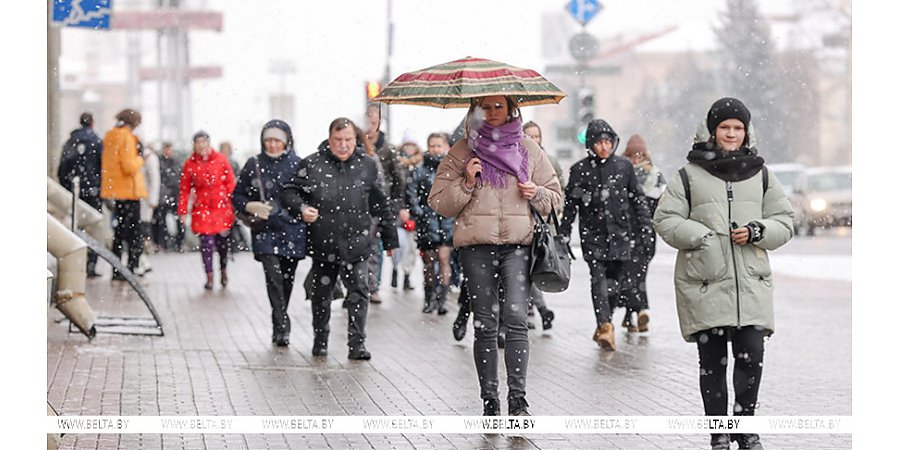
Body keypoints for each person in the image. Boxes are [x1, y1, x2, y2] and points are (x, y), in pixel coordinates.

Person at [653, 97, 794, 450]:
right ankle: (718, 432)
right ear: (712, 131)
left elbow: (785, 221)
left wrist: (759, 230)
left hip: (751, 284)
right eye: (725, 127)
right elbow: (664, 219)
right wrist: (701, 236)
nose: (731, 134)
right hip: (705, 283)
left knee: (751, 359)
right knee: (712, 365)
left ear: (746, 132)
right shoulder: (689, 175)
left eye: (738, 128)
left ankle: (745, 429)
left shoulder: (762, 175)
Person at [428, 95, 562, 416]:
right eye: (484, 107)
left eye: (498, 106)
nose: (492, 113)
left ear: (511, 108)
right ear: (475, 110)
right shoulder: (462, 150)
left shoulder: (528, 148)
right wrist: (467, 181)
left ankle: (518, 400)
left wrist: (537, 193)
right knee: (486, 323)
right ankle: (490, 400)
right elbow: (439, 202)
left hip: (518, 246)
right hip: (476, 248)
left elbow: (556, 199)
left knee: (516, 320)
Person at [282, 117, 399, 360]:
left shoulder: (366, 165)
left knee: (358, 292)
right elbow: (289, 191)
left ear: (355, 140)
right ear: (329, 139)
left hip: (358, 242)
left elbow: (380, 203)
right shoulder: (312, 163)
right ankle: (320, 340)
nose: (343, 145)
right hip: (324, 243)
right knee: (322, 296)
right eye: (338, 140)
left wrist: (390, 239)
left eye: (348, 140)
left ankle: (357, 344)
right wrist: (301, 208)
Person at [559, 118, 652, 351]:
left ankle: (606, 321)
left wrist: (645, 228)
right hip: (594, 236)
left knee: (617, 284)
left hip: (621, 234)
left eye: (608, 142)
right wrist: (564, 234)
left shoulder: (624, 167)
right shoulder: (579, 170)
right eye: (599, 142)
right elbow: (571, 206)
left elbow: (637, 199)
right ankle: (605, 324)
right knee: (598, 280)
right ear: (591, 144)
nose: (604, 147)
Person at [232, 120, 306, 347]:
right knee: (273, 277)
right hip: (265, 231)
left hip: (293, 230)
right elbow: (237, 196)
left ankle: (280, 317)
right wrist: (250, 206)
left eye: (277, 140)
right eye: (268, 140)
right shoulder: (253, 164)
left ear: (286, 141)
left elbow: (308, 195)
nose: (272, 145)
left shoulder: (298, 164)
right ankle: (281, 325)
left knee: (287, 279)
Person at [617, 134, 666, 333]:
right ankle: (639, 311)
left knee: (637, 274)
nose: (636, 160)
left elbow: (662, 204)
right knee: (632, 274)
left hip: (645, 232)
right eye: (632, 155)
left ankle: (631, 315)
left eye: (640, 155)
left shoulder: (655, 175)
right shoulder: (621, 173)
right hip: (625, 232)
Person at [177, 131, 236, 290]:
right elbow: (184, 189)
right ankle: (209, 276)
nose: (202, 146)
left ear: (209, 144)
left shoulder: (221, 160)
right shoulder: (190, 164)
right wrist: (183, 210)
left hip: (221, 208)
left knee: (222, 243)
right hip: (202, 209)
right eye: (198, 143)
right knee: (206, 244)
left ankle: (223, 269)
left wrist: (234, 203)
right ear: (194, 145)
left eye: (204, 142)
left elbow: (230, 182)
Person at [363, 103, 408, 303]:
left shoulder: (388, 149)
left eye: (374, 122)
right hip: (360, 203)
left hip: (382, 204)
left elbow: (399, 179)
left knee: (376, 248)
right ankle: (358, 285)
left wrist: (397, 205)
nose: (370, 126)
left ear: (379, 123)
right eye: (367, 121)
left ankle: (373, 286)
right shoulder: (357, 145)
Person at [407, 132, 455, 314]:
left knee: (444, 259)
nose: (435, 149)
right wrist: (420, 213)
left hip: (447, 221)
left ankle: (442, 299)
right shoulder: (419, 170)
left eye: (438, 145)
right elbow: (411, 194)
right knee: (429, 262)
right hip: (427, 222)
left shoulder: (451, 170)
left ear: (445, 147)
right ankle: (429, 298)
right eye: (432, 145)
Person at [100, 109, 147, 280]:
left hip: (116, 191)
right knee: (134, 232)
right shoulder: (126, 137)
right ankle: (131, 267)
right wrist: (141, 158)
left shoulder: (110, 136)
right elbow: (129, 166)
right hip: (129, 192)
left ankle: (116, 268)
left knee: (119, 232)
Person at [58, 112, 104, 277]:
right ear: (92, 123)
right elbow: (102, 167)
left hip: (74, 193)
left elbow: (62, 168)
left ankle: (77, 264)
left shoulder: (70, 141)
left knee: (75, 226)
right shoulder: (97, 141)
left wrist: (66, 187)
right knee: (94, 227)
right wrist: (100, 188)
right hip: (93, 191)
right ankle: (91, 263)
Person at [394, 135, 423, 291]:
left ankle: (406, 275)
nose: (410, 148)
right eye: (407, 145)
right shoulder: (397, 164)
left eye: (413, 145)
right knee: (399, 244)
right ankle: (394, 269)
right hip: (398, 212)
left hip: (415, 212)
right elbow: (395, 190)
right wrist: (400, 208)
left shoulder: (421, 165)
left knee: (411, 247)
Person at [152, 142, 186, 252]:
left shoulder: (176, 161)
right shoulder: (159, 161)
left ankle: (179, 243)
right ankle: (163, 243)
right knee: (161, 221)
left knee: (179, 221)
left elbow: (179, 177)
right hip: (163, 195)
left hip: (175, 194)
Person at [135, 143, 161, 276]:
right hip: (137, 199)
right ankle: (141, 260)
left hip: (144, 200)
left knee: (142, 231)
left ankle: (142, 260)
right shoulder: (141, 156)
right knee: (140, 232)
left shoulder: (149, 157)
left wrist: (153, 200)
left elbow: (155, 180)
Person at [220, 141, 249, 254]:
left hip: (232, 196)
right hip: (223, 197)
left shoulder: (233, 163)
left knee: (234, 222)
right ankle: (233, 244)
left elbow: (239, 178)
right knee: (229, 223)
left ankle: (238, 243)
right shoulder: (219, 163)